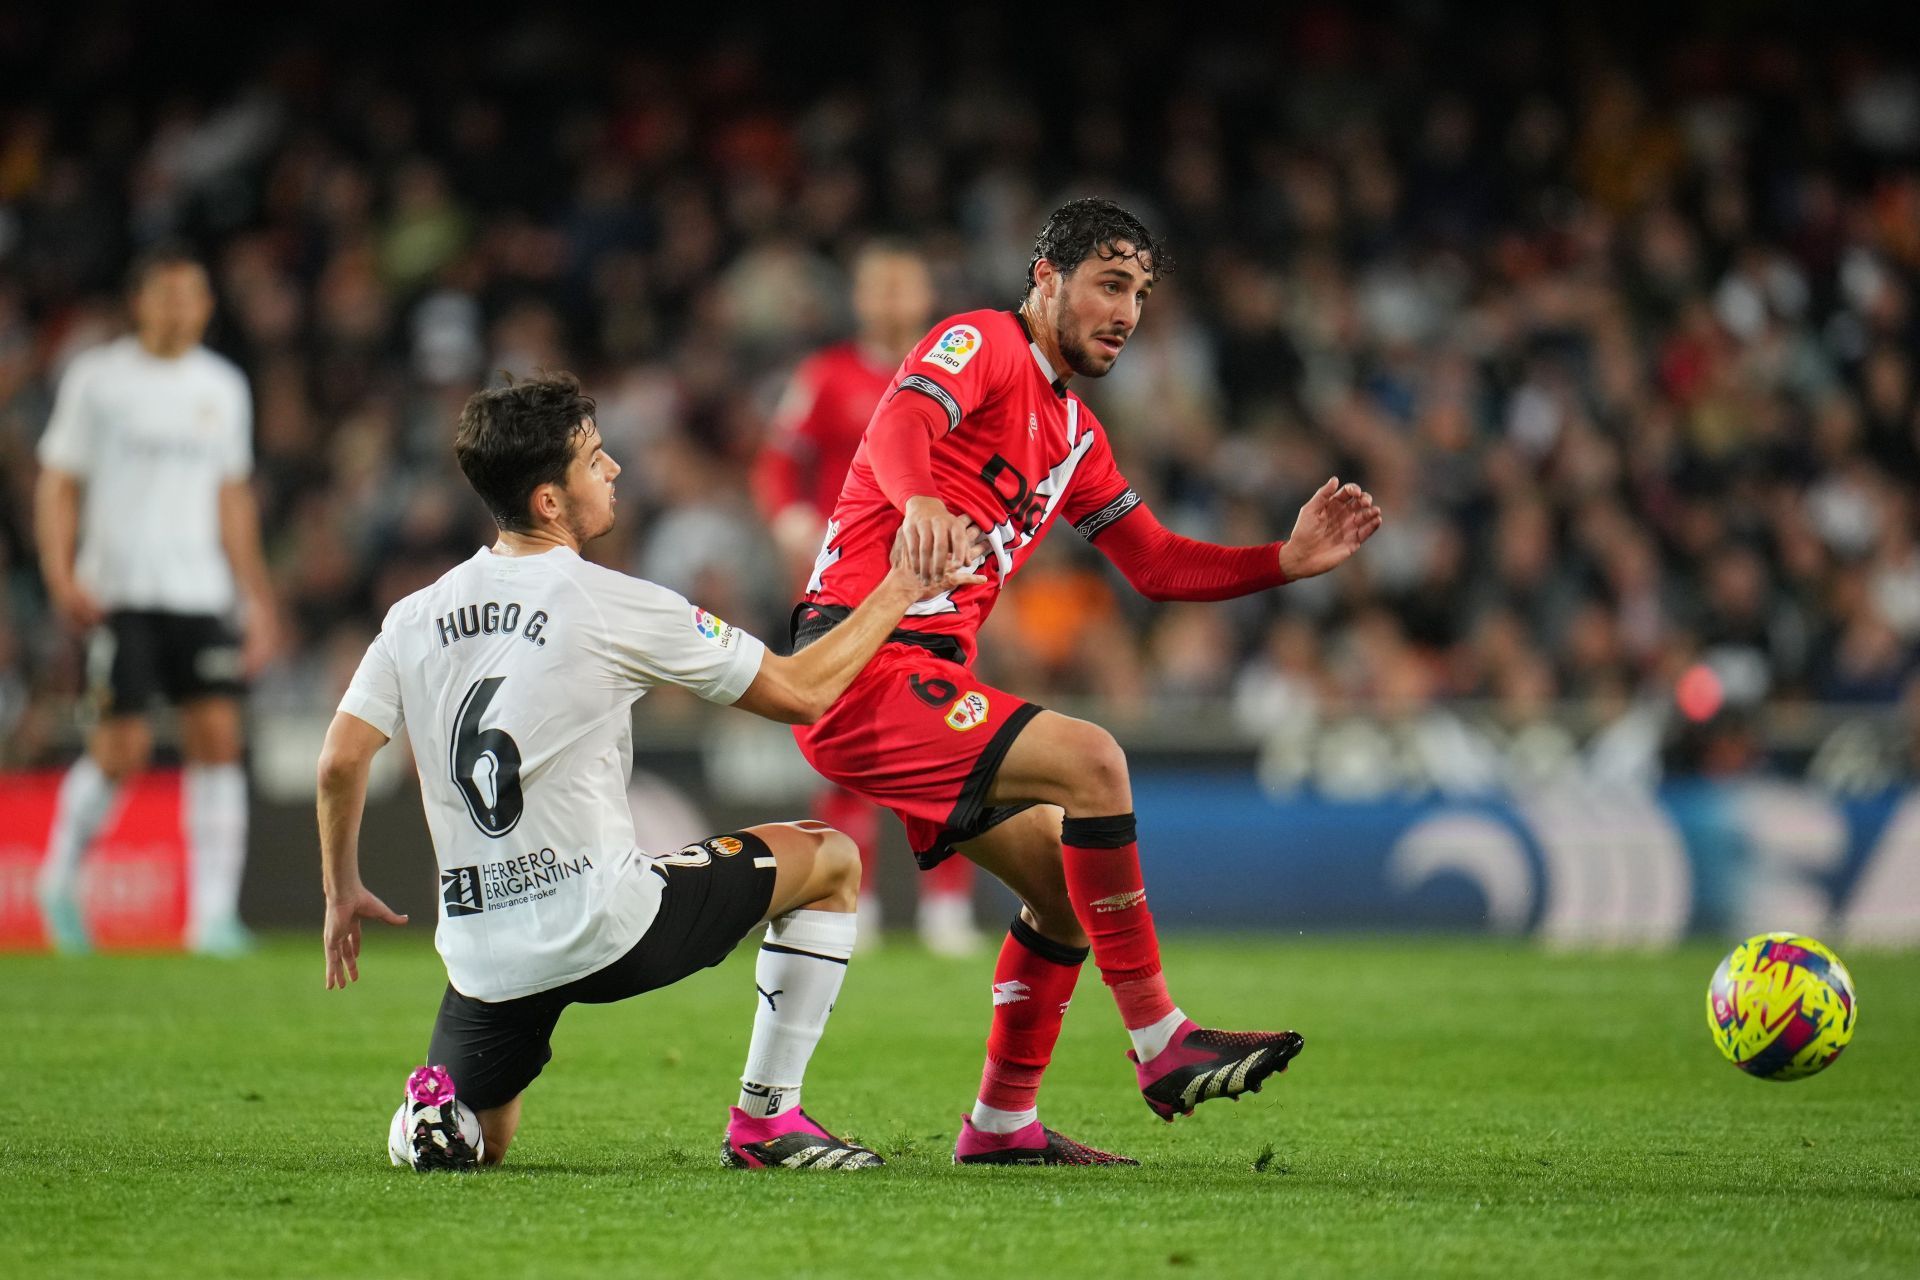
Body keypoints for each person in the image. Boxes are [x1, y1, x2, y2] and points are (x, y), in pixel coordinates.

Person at [791, 198, 1382, 1165]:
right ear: (1047, 278)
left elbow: (1154, 564)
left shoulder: (1073, 433)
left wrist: (1284, 559)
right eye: (1110, 283)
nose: (1128, 311)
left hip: (924, 673)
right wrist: (924, 500)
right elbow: (901, 423)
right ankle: (1158, 1039)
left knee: (1065, 896)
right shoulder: (980, 341)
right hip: (859, 658)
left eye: (1141, 293)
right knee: (1095, 761)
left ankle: (1000, 1125)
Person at [316, 373, 979, 1171]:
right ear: (549, 501)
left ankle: (426, 1114)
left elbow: (339, 762)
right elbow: (804, 692)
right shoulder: (612, 603)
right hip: (608, 928)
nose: (615, 470)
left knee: (484, 1142)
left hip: (487, 951)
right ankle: (768, 1121)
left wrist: (339, 890)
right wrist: (903, 587)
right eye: (594, 459)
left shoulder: (413, 615)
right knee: (832, 857)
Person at [33, 242, 279, 956]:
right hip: (122, 590)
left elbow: (232, 497)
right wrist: (59, 569)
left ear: (207, 305)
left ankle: (210, 919)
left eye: (194, 295)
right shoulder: (98, 379)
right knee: (122, 748)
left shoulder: (223, 386)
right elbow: (58, 480)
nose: (182, 308)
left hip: (199, 591)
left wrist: (254, 596)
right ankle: (58, 880)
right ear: (140, 301)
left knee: (218, 741)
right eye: (168, 294)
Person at [752, 240, 980, 955]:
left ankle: (947, 907)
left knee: (947, 739)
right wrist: (792, 522)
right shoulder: (826, 376)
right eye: (877, 287)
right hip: (846, 587)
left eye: (901, 286)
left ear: (923, 296)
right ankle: (857, 902)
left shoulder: (960, 378)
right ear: (859, 298)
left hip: (936, 582)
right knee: (844, 745)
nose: (889, 300)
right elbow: (777, 464)